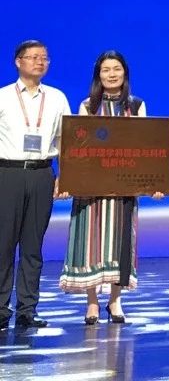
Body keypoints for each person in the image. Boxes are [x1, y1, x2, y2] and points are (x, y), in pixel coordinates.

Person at [59, 51, 164, 324]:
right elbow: (79, 149)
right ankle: (92, 302)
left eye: (116, 69)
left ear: (125, 73)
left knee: (120, 243)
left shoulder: (137, 105)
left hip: (124, 187)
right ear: (98, 75)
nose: (112, 74)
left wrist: (153, 183)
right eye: (106, 70)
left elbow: (145, 147)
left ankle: (115, 301)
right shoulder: (87, 106)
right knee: (90, 243)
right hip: (91, 188)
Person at [0, 39, 72, 329]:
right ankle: (0, 309)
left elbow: (66, 140)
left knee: (33, 246)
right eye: (33, 57)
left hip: (43, 174)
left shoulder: (56, 97)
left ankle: (27, 309)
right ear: (18, 62)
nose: (40, 62)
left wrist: (65, 176)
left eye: (44, 57)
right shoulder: (3, 97)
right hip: (8, 173)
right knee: (3, 244)